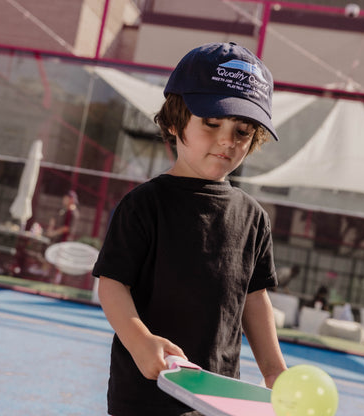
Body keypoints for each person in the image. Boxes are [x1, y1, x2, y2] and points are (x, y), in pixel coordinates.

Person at [93, 42, 287, 416]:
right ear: (173, 120)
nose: (227, 140)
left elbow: (253, 298)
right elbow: (112, 283)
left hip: (217, 398)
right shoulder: (144, 205)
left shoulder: (254, 218)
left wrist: (275, 371)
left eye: (243, 131)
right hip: (145, 394)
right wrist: (140, 341)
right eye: (211, 123)